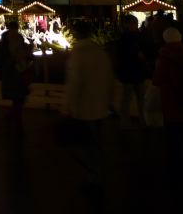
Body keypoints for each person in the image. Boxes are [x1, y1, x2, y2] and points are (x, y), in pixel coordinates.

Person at [63, 19, 113, 200]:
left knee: (87, 147)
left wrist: (68, 106)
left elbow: (74, 83)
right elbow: (109, 79)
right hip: (100, 106)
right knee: (96, 145)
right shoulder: (100, 53)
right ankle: (98, 178)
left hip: (84, 108)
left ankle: (93, 180)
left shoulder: (78, 54)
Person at [153, 26, 183, 203]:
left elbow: (157, 80)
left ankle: (174, 162)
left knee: (172, 131)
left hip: (170, 98)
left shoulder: (163, 58)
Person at [0, 18, 32, 132]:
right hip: (17, 69)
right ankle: (16, 118)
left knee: (17, 96)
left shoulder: (6, 38)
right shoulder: (18, 38)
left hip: (11, 69)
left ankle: (13, 115)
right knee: (19, 96)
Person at [113, 15, 147, 126]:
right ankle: (141, 120)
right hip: (136, 71)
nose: (135, 25)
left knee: (128, 99)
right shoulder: (138, 36)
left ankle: (126, 121)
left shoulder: (123, 38)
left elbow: (120, 56)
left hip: (129, 72)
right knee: (139, 99)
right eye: (133, 23)